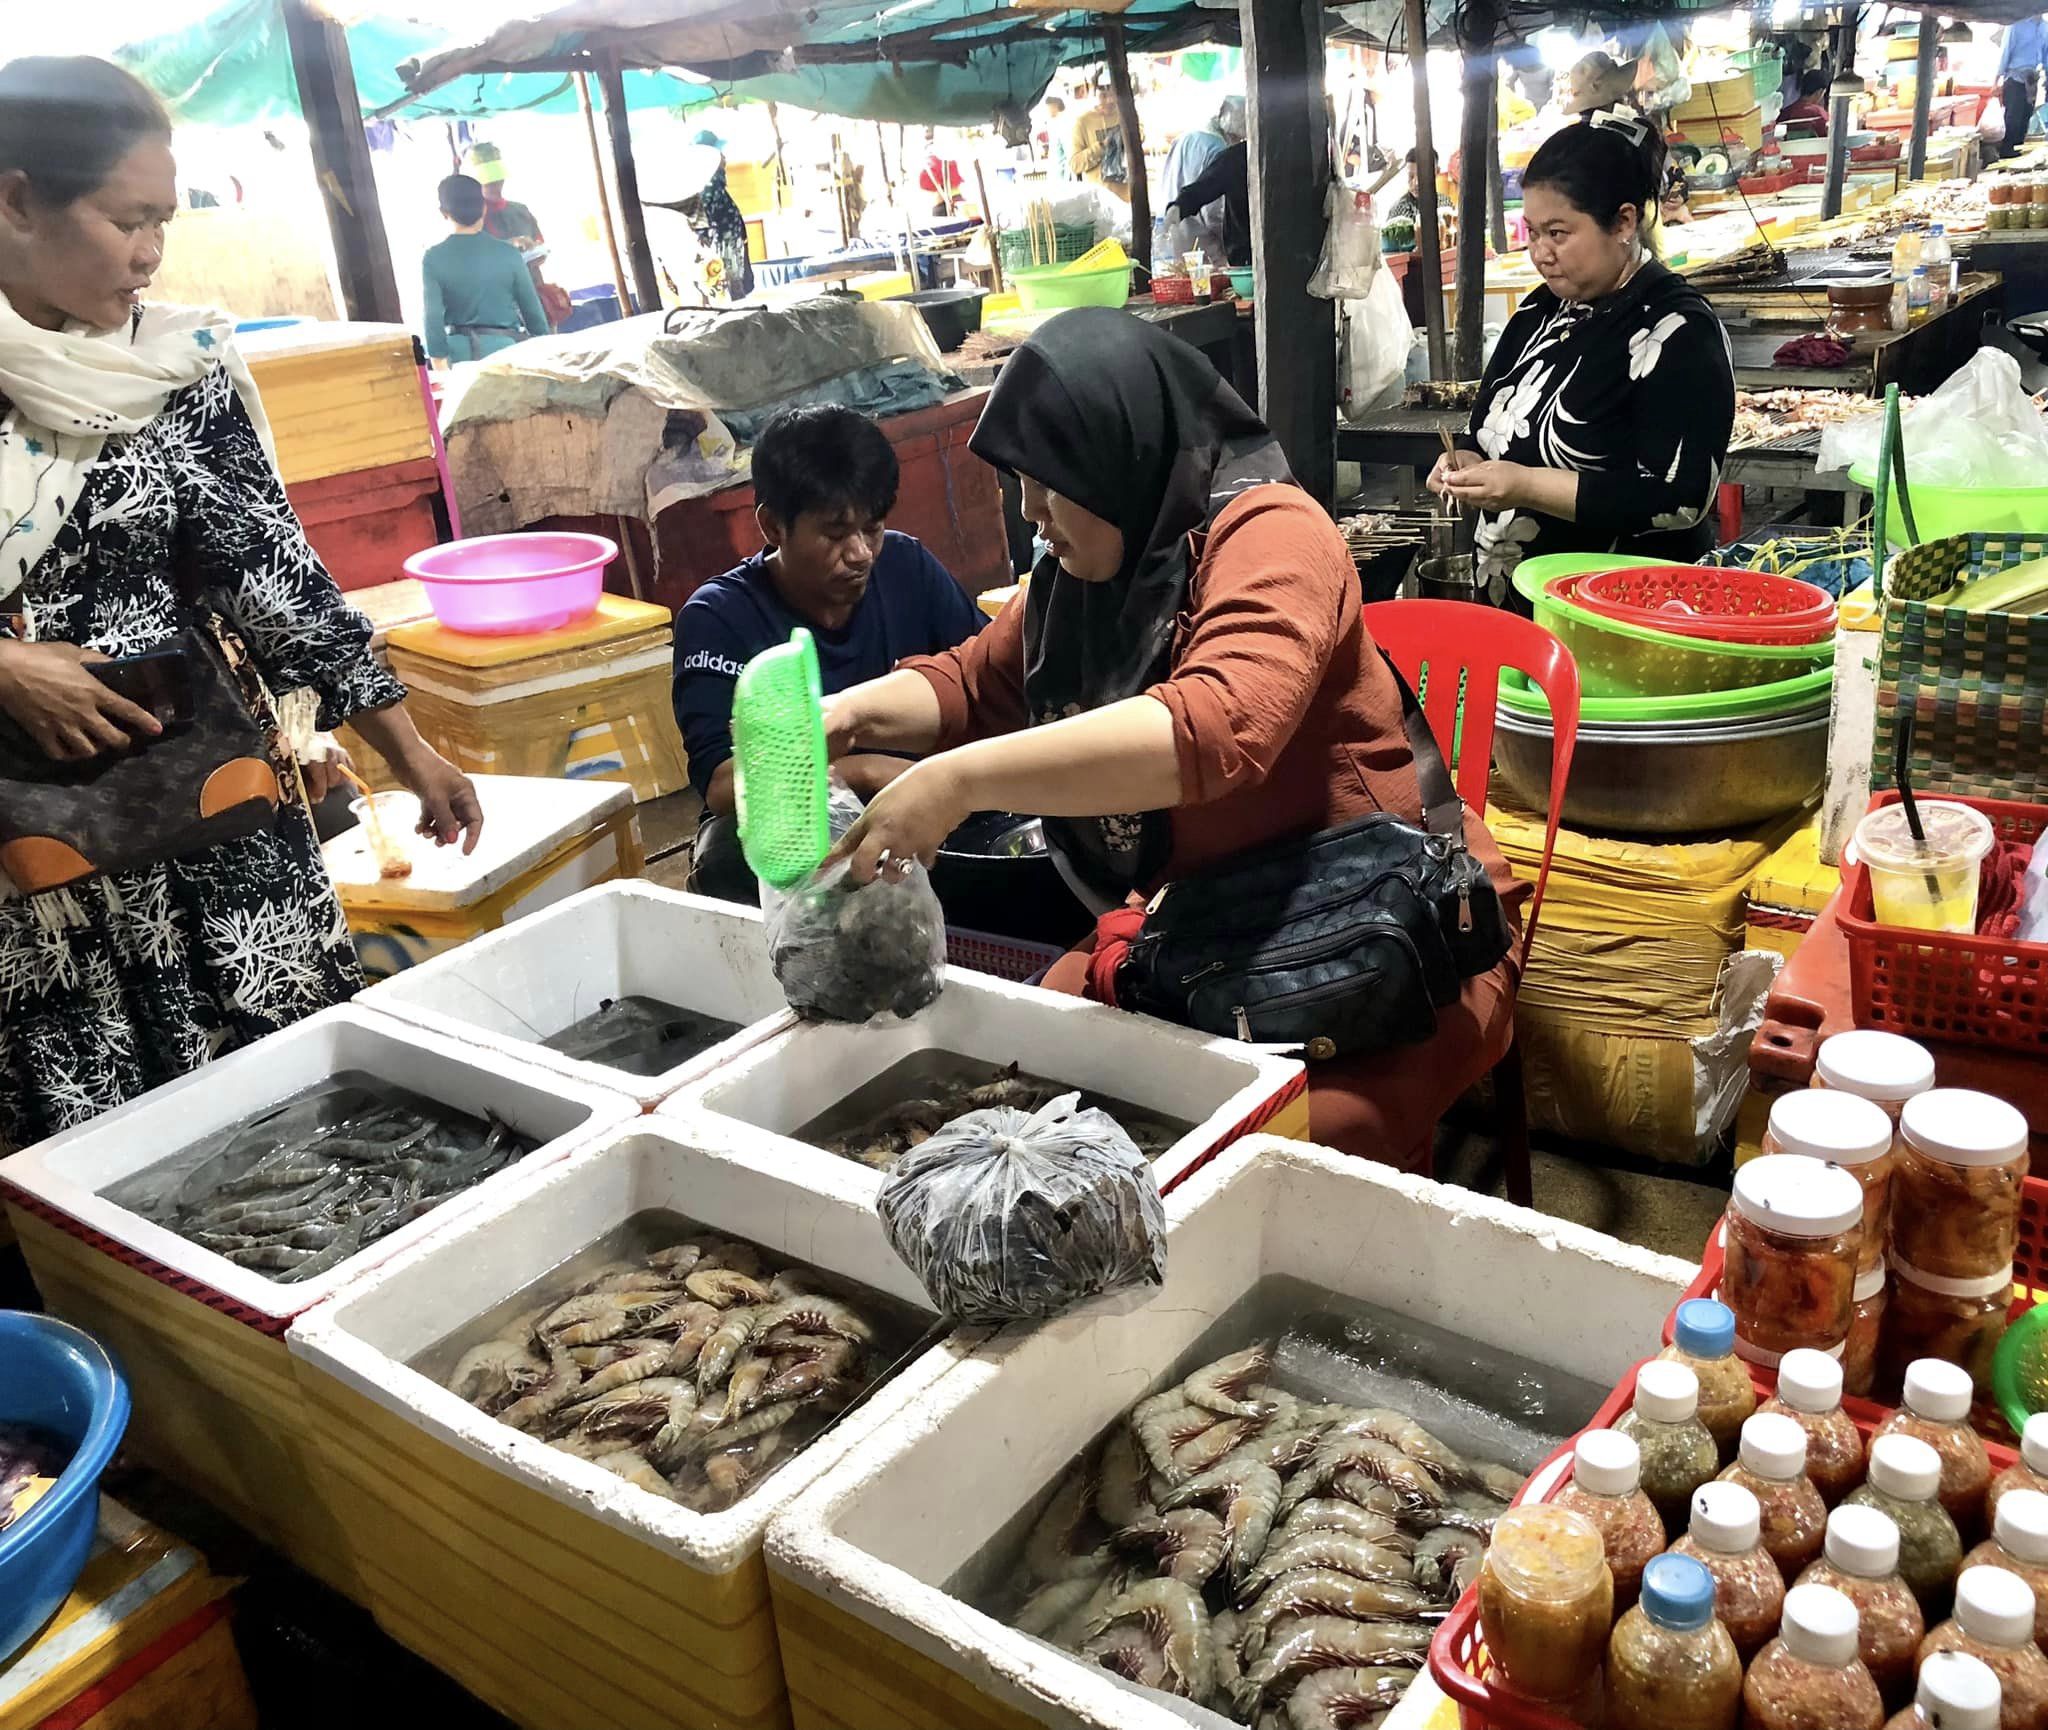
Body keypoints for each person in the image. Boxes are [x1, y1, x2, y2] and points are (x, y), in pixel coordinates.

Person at [817, 308, 1525, 1166]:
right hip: (1214, 924)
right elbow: (971, 685)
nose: (1032, 511)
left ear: (1117, 451)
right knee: (1026, 1073)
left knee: (1247, 1157)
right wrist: (842, 716)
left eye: (1048, 478)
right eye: (1020, 482)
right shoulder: (1078, 581)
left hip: (1394, 930)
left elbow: (1220, 725)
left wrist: (957, 784)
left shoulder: (1274, 534)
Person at [0, 56, 481, 1148]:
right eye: (127, 220)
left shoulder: (175, 367)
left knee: (288, 1109)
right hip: (34, 870)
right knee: (100, 1145)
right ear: (17, 199)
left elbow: (272, 574)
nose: (150, 253)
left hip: (209, 818)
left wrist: (410, 750)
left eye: (163, 221)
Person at [674, 405, 984, 904]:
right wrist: (860, 773)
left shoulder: (908, 567)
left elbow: (984, 682)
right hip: (792, 829)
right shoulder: (718, 618)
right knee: (726, 859)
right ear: (773, 527)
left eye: (873, 528)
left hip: (919, 802)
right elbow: (722, 782)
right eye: (837, 534)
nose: (861, 552)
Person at [1429, 110, 1734, 607]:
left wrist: (1525, 485)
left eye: (1558, 233)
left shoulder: (1678, 330)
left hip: (1616, 620)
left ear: (1624, 222)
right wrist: (1465, 459)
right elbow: (1491, 425)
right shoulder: (1540, 309)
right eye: (1532, 232)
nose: (1541, 253)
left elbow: (1680, 500)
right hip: (1516, 609)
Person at [422, 174, 549, 364]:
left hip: (459, 360)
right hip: (507, 355)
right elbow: (534, 315)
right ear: (484, 207)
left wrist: (439, 362)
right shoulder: (508, 254)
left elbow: (432, 319)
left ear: (443, 212)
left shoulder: (433, 258)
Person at [467, 140, 568, 329]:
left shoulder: (521, 210)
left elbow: (540, 246)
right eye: (489, 181)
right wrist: (508, 246)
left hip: (537, 300)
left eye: (497, 179)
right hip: (501, 312)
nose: (496, 185)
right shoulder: (470, 220)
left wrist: (536, 252)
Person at [1160, 95, 1245, 258]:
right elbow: (1214, 212)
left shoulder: (1185, 138)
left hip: (1176, 235)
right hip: (1204, 245)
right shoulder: (1219, 149)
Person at [1162, 132, 1250, 266]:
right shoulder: (1237, 156)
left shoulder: (1234, 155)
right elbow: (1205, 186)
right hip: (1244, 260)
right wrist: (1181, 206)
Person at [1070, 78, 1130, 203]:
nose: (1110, 100)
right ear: (1093, 93)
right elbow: (1075, 165)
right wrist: (1101, 147)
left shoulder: (1127, 114)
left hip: (1130, 196)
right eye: (1103, 96)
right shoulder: (1083, 122)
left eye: (1114, 94)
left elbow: (1141, 136)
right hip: (1100, 201)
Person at [1999, 14, 2048, 156]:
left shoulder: (2045, 28)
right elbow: (2005, 50)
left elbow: (2046, 55)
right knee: (2012, 121)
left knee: (2025, 119)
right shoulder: (2015, 24)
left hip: (2032, 80)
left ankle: (2017, 158)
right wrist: (1996, 78)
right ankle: (2006, 156)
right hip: (2014, 79)